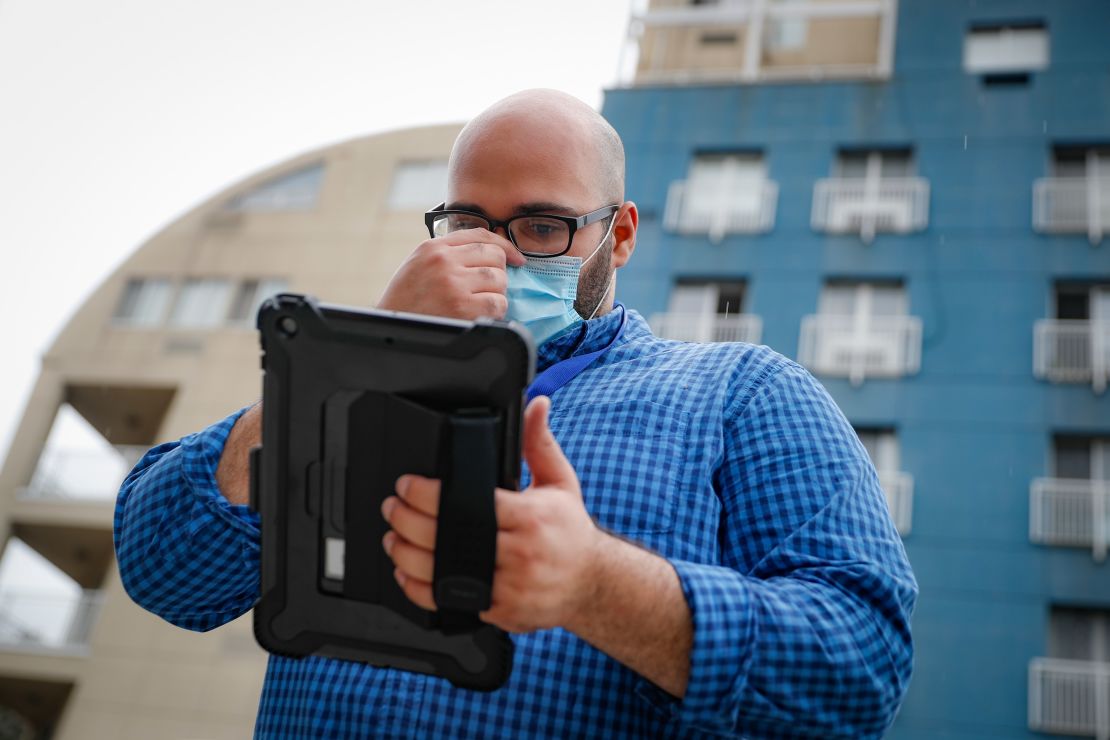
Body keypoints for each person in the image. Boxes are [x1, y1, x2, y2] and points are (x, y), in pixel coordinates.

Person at [115, 89, 917, 738]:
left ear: (622, 234)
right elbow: (163, 571)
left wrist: (595, 586)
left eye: (542, 227)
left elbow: (857, 673)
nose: (495, 256)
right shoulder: (347, 388)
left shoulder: (743, 392)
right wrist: (354, 357)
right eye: (467, 224)